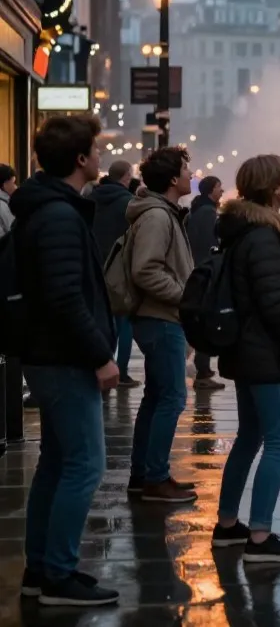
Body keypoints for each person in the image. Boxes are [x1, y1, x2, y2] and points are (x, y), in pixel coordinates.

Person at [9, 115, 120, 606]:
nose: (100, 157)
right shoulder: (58, 215)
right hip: (64, 358)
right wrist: (101, 356)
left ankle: (41, 570)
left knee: (56, 464)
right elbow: (63, 297)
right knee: (84, 465)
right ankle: (58, 574)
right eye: (94, 150)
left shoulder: (54, 208)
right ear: (80, 159)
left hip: (52, 355)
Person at [211, 154, 280, 563]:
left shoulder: (245, 231)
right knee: (279, 443)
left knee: (250, 437)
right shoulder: (263, 237)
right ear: (272, 188)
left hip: (246, 352)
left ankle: (227, 526)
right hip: (264, 355)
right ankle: (259, 537)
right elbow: (275, 304)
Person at [126, 146, 196, 503]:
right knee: (171, 398)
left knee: (156, 398)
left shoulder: (164, 212)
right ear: (172, 179)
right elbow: (146, 270)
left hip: (160, 318)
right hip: (162, 319)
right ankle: (155, 477)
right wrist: (184, 297)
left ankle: (144, 475)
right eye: (186, 169)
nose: (190, 175)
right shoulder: (157, 216)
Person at [91, 160, 139, 387]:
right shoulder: (129, 203)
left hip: (95, 265)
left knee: (102, 319)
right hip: (119, 268)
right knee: (125, 322)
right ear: (127, 177)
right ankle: (122, 370)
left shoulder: (91, 198)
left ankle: (103, 363)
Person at [186, 175, 226, 390]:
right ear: (211, 190)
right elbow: (211, 243)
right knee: (206, 321)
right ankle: (202, 370)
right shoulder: (208, 213)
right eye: (219, 187)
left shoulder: (200, 210)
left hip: (200, 269)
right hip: (206, 272)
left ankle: (203, 368)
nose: (222, 190)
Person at [0, 163, 15, 237]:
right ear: (5, 184)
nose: (15, 186)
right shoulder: (2, 206)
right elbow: (12, 229)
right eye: (13, 182)